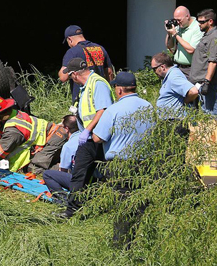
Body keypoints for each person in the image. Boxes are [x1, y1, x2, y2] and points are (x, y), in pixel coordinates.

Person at [61, 71, 153, 219]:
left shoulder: (114, 110)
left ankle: (123, 229)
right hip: (144, 161)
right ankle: (141, 221)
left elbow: (98, 138)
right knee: (138, 196)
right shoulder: (148, 106)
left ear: (119, 89)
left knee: (122, 199)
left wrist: (89, 132)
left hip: (119, 163)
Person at [0, 97, 69, 173]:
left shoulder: (14, 131)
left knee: (34, 170)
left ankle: (68, 171)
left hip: (55, 138)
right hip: (51, 137)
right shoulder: (11, 116)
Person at [58, 25, 115, 104]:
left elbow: (63, 77)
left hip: (83, 99)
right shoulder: (100, 48)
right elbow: (109, 72)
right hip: (102, 96)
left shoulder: (72, 52)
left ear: (69, 39)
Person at [65, 57, 115, 143]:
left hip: (99, 135)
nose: (71, 79)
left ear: (74, 74)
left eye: (70, 76)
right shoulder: (86, 86)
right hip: (90, 135)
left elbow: (103, 110)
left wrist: (87, 130)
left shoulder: (98, 83)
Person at [189, 9, 217, 116]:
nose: (199, 24)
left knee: (210, 114)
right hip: (198, 82)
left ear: (210, 22)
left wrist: (207, 82)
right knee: (194, 113)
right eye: (198, 22)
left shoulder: (215, 37)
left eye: (202, 22)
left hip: (205, 82)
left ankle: (215, 132)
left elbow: (213, 61)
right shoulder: (207, 35)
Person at [42, 115, 81, 196]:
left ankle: (62, 199)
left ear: (66, 129)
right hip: (94, 178)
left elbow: (63, 170)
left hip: (79, 181)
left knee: (47, 174)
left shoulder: (68, 146)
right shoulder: (89, 137)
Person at [151, 51, 199, 117]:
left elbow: (194, 91)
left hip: (175, 121)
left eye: (154, 69)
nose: (154, 72)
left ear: (162, 67)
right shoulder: (170, 76)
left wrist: (185, 102)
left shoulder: (174, 77)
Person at [165, 6, 202, 80]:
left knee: (189, 91)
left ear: (187, 16)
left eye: (179, 20)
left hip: (190, 69)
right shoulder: (179, 26)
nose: (178, 22)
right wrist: (169, 33)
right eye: (176, 20)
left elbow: (191, 50)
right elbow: (169, 45)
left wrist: (176, 35)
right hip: (177, 67)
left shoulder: (197, 28)